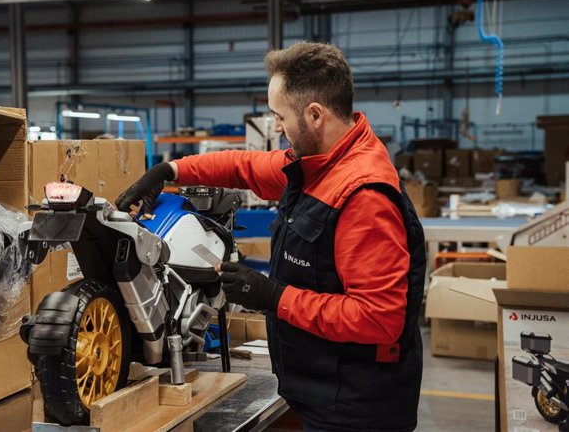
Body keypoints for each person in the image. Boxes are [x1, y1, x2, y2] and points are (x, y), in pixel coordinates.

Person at [116, 42, 426, 432]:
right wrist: (169, 170)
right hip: (324, 389)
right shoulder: (319, 164)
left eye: (280, 117)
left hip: (355, 407)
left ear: (315, 115)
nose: (276, 127)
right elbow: (244, 166)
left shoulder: (362, 197)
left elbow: (378, 320)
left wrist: (273, 296)